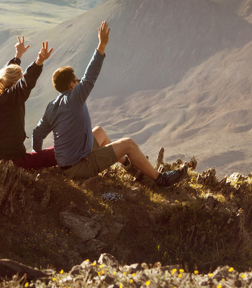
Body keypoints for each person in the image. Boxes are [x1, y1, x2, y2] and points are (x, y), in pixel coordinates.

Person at [32, 21, 188, 186]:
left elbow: (37, 134)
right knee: (129, 143)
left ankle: (130, 166)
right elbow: (91, 75)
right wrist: (101, 45)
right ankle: (161, 179)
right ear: (71, 85)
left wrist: (39, 159)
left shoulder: (52, 106)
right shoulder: (74, 98)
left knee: (99, 132)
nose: (79, 82)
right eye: (76, 80)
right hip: (80, 166)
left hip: (70, 161)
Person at [0, 36, 58, 169]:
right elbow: (26, 83)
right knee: (58, 152)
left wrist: (18, 55)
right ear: (14, 84)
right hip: (11, 163)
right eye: (19, 80)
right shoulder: (11, 99)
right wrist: (39, 61)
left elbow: (6, 74)